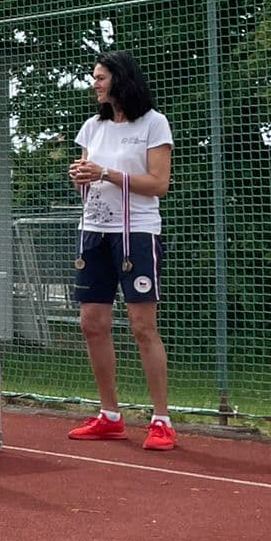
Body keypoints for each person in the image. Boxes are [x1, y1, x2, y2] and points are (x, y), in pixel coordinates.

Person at [64, 50, 177, 450]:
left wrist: (106, 173)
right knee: (91, 322)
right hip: (93, 231)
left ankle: (161, 419)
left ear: (120, 79)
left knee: (142, 325)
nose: (94, 84)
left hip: (137, 233)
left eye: (100, 77)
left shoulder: (153, 122)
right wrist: (81, 175)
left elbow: (159, 184)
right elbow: (88, 175)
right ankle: (110, 415)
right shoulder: (92, 127)